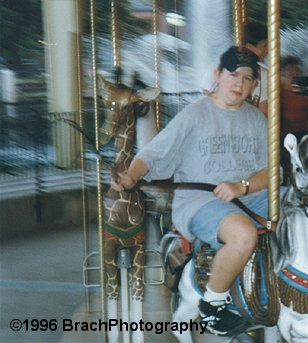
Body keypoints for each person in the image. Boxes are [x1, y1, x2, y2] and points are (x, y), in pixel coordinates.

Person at [112, 46, 269, 337]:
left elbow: (272, 172)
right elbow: (153, 153)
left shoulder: (257, 120)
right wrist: (132, 175)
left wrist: (242, 186)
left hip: (248, 197)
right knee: (243, 234)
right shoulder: (195, 114)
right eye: (233, 75)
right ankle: (213, 303)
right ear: (217, 75)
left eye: (248, 79)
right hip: (202, 200)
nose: (239, 84)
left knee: (304, 214)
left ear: (254, 85)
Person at [243, 20, 269, 115]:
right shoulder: (222, 70)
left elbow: (264, 109)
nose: (267, 51)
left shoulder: (264, 74)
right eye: (264, 46)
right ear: (248, 46)